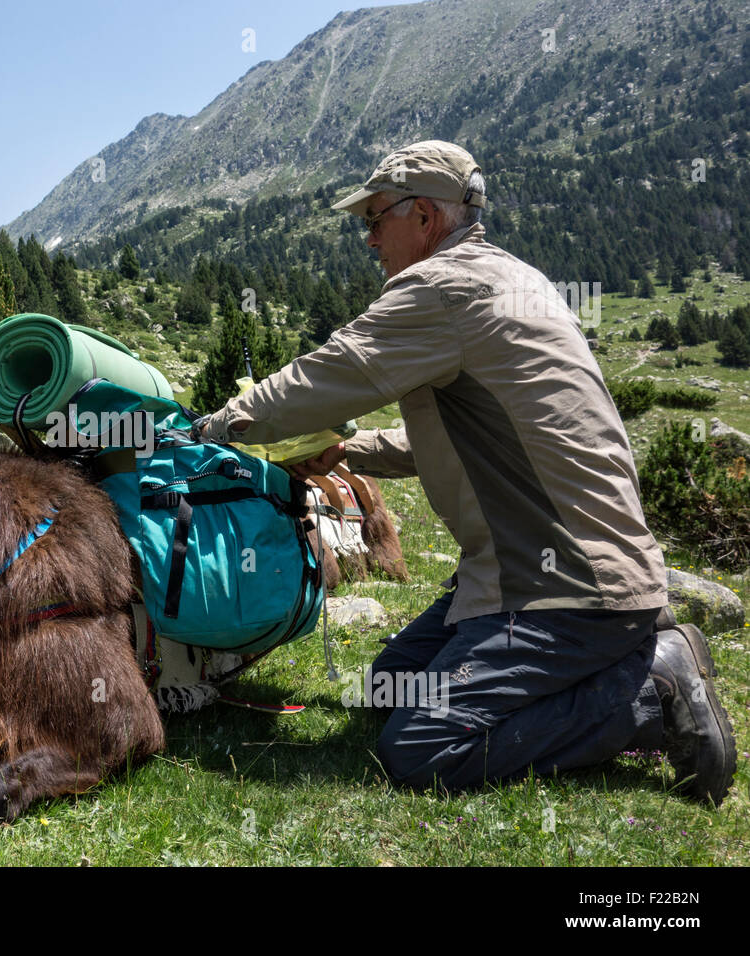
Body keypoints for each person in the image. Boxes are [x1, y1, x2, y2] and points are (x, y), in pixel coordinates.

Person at [192, 141, 737, 805]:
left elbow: (325, 377)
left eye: (375, 220)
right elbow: (478, 439)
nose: (370, 240)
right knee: (389, 683)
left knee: (420, 746)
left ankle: (653, 690)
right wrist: (351, 453)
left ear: (423, 215)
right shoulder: (515, 280)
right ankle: (611, 660)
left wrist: (212, 427)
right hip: (570, 572)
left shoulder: (441, 287)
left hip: (561, 586)